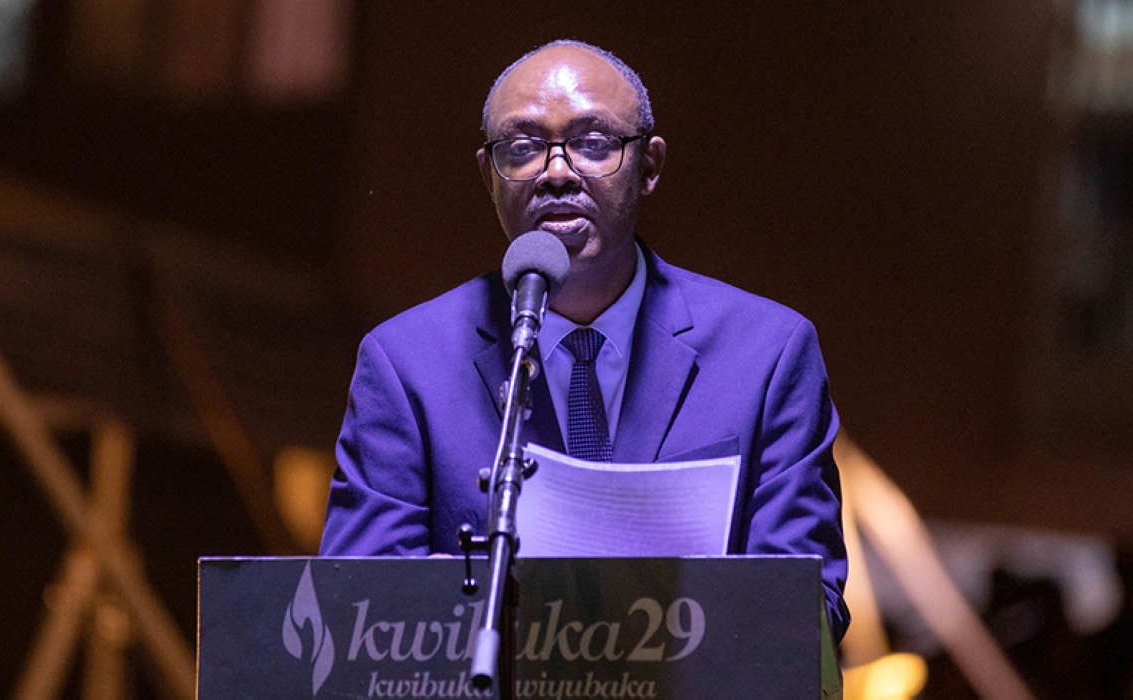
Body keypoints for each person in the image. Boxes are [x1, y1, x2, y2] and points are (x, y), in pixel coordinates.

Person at [319, 40, 850, 642]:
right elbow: (360, 607)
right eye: (521, 148)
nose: (556, 172)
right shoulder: (405, 363)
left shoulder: (768, 355)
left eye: (593, 144)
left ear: (648, 166)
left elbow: (809, 611)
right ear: (488, 176)